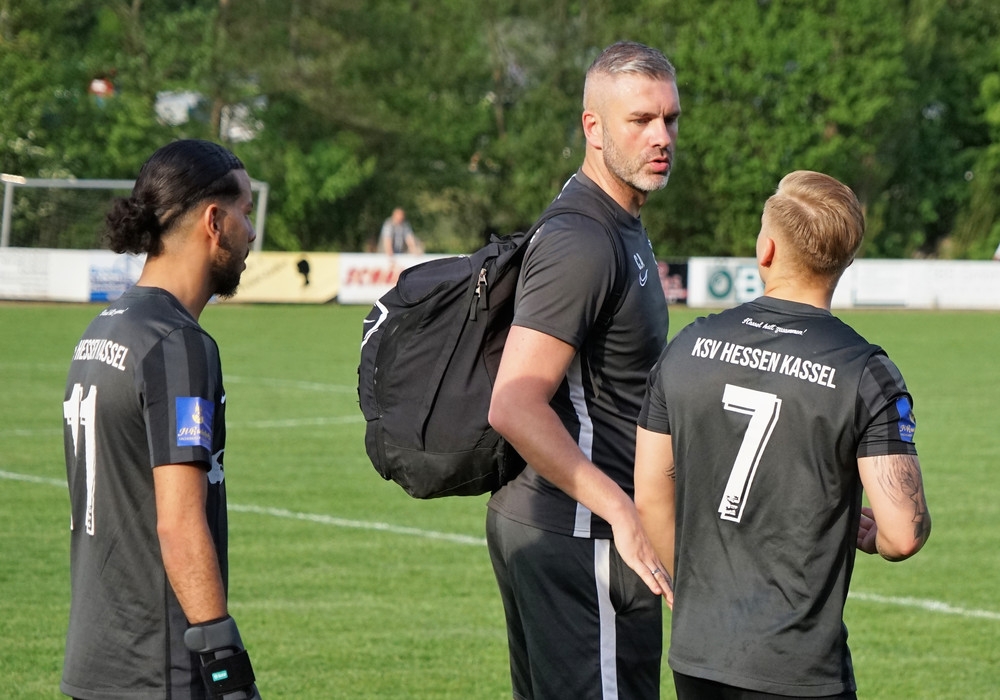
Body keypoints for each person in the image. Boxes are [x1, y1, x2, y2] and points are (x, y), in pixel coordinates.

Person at [634, 170, 932, 699]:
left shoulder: (689, 346)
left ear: (765, 249)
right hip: (799, 670)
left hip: (699, 655)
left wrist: (700, 599)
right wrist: (880, 539)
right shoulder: (867, 373)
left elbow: (651, 494)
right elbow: (903, 533)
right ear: (845, 262)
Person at [486, 41, 680, 699]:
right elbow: (514, 403)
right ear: (593, 128)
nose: (661, 137)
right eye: (641, 120)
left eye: (670, 119)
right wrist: (621, 512)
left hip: (577, 530)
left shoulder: (619, 221)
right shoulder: (583, 239)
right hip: (580, 534)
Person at [61, 139, 262, 700]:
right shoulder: (176, 343)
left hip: (98, 663)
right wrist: (225, 667)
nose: (251, 233)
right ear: (214, 222)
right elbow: (178, 522)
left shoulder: (104, 328)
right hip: (160, 666)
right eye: (246, 213)